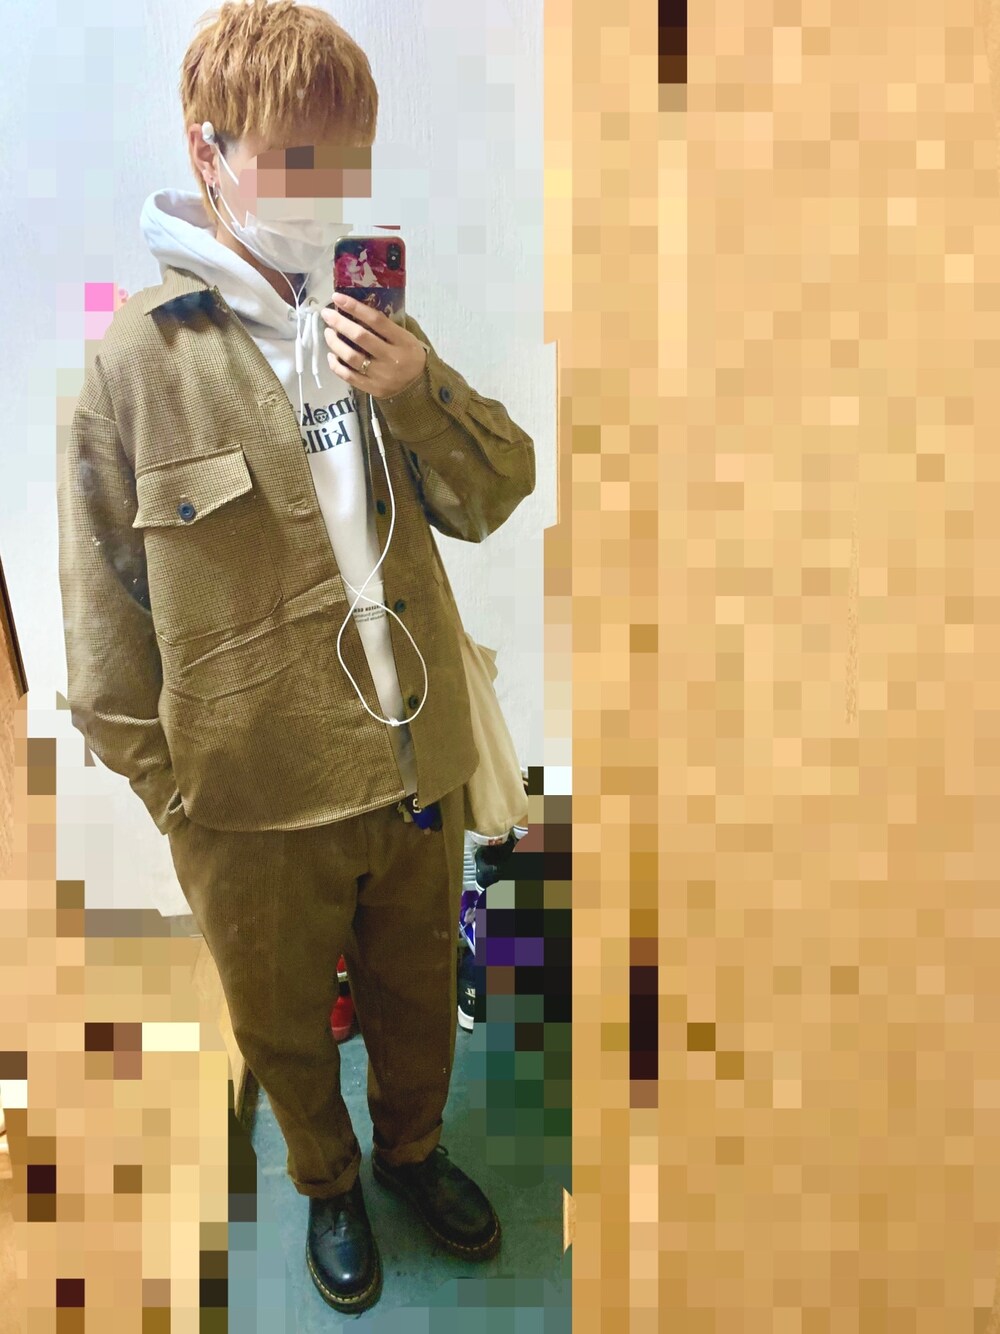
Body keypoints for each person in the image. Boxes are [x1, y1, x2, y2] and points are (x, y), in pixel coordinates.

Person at [55, 0, 535, 1315]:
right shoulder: (134, 367)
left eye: (346, 159)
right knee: (279, 1023)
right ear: (208, 154)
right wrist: (182, 803)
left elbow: (496, 492)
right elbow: (102, 634)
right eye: (292, 158)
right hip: (251, 800)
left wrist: (417, 389)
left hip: (413, 761)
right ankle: (327, 1179)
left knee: (417, 996)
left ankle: (413, 1151)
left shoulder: (372, 325)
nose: (325, 191)